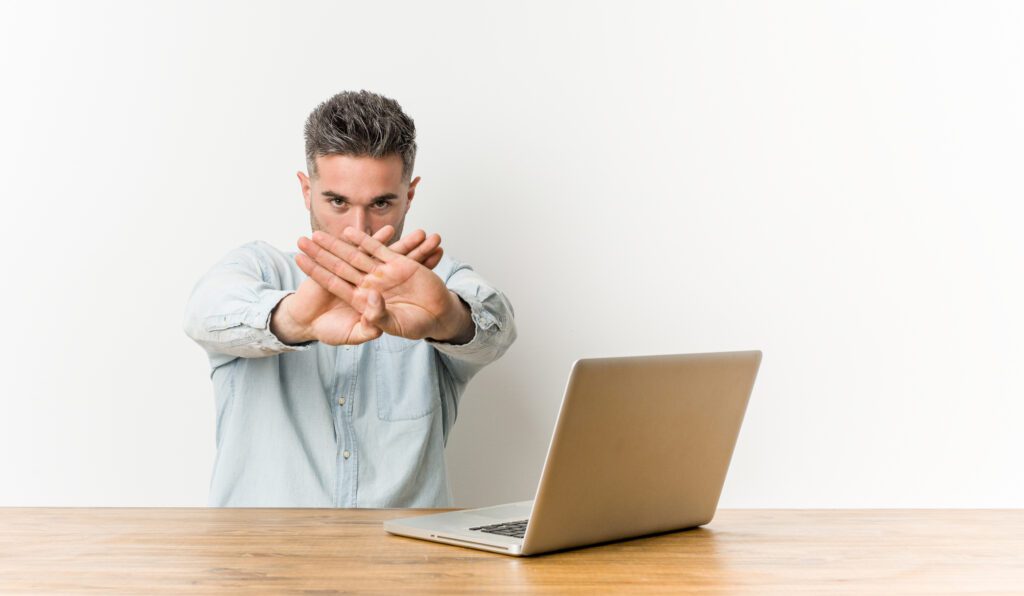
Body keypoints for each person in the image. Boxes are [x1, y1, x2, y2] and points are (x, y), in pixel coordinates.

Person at [182, 90, 517, 507]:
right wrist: (292, 321)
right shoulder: (259, 270)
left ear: (408, 196)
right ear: (307, 191)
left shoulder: (433, 283)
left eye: (381, 204)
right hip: (266, 564)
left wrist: (449, 318)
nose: (357, 229)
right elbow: (204, 313)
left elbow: (498, 325)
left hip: (405, 563)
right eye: (337, 201)